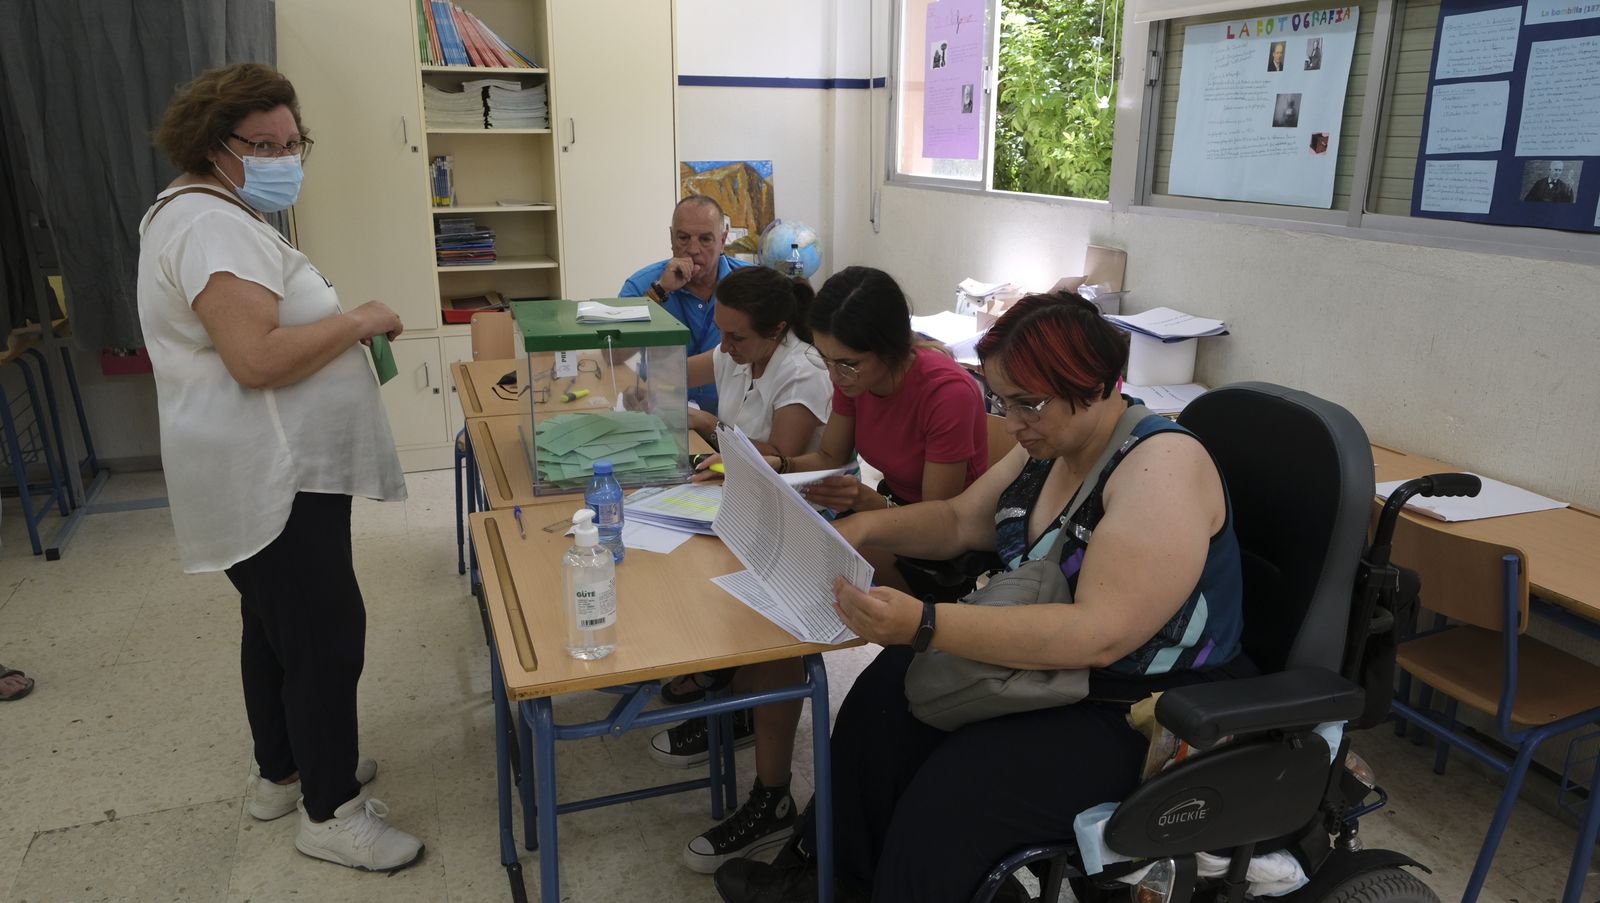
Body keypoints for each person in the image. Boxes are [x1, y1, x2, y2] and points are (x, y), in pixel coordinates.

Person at [713, 291, 1251, 903]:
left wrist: (926, 624)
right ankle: (833, 876)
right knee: (882, 699)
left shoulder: (1162, 467)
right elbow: (961, 521)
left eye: (1028, 404)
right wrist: (863, 529)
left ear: (1099, 384)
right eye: (1003, 401)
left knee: (954, 791)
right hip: (1056, 666)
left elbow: (1100, 633)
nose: (1012, 422)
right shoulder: (1049, 443)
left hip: (1139, 702)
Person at [137, 63, 423, 872]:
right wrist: (359, 318)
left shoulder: (208, 215)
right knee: (328, 635)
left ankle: (284, 770)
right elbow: (256, 358)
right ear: (210, 144)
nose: (281, 157)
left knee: (276, 626)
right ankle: (330, 812)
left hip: (265, 472)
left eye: (292, 142)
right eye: (261, 144)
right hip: (272, 476)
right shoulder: (209, 226)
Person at [671, 266, 989, 877]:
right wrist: (777, 463)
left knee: (790, 601)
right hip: (882, 516)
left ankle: (769, 791)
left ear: (894, 349)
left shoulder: (947, 391)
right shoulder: (854, 374)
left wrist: (870, 507)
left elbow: (942, 519)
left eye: (848, 366)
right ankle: (745, 707)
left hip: (942, 556)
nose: (838, 378)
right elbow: (828, 457)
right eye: (830, 362)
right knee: (758, 567)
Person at [620, 195, 752, 415]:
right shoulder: (642, 285)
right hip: (660, 415)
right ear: (671, 238)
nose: (693, 249)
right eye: (683, 238)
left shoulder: (751, 285)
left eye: (705, 239)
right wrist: (659, 291)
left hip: (734, 421)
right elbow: (614, 355)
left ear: (723, 240)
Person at [684, 266, 832, 456]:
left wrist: (710, 425)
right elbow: (680, 374)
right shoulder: (738, 351)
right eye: (719, 330)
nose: (723, 347)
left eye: (737, 337)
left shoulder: (803, 372)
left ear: (776, 330)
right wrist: (642, 389)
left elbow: (780, 460)